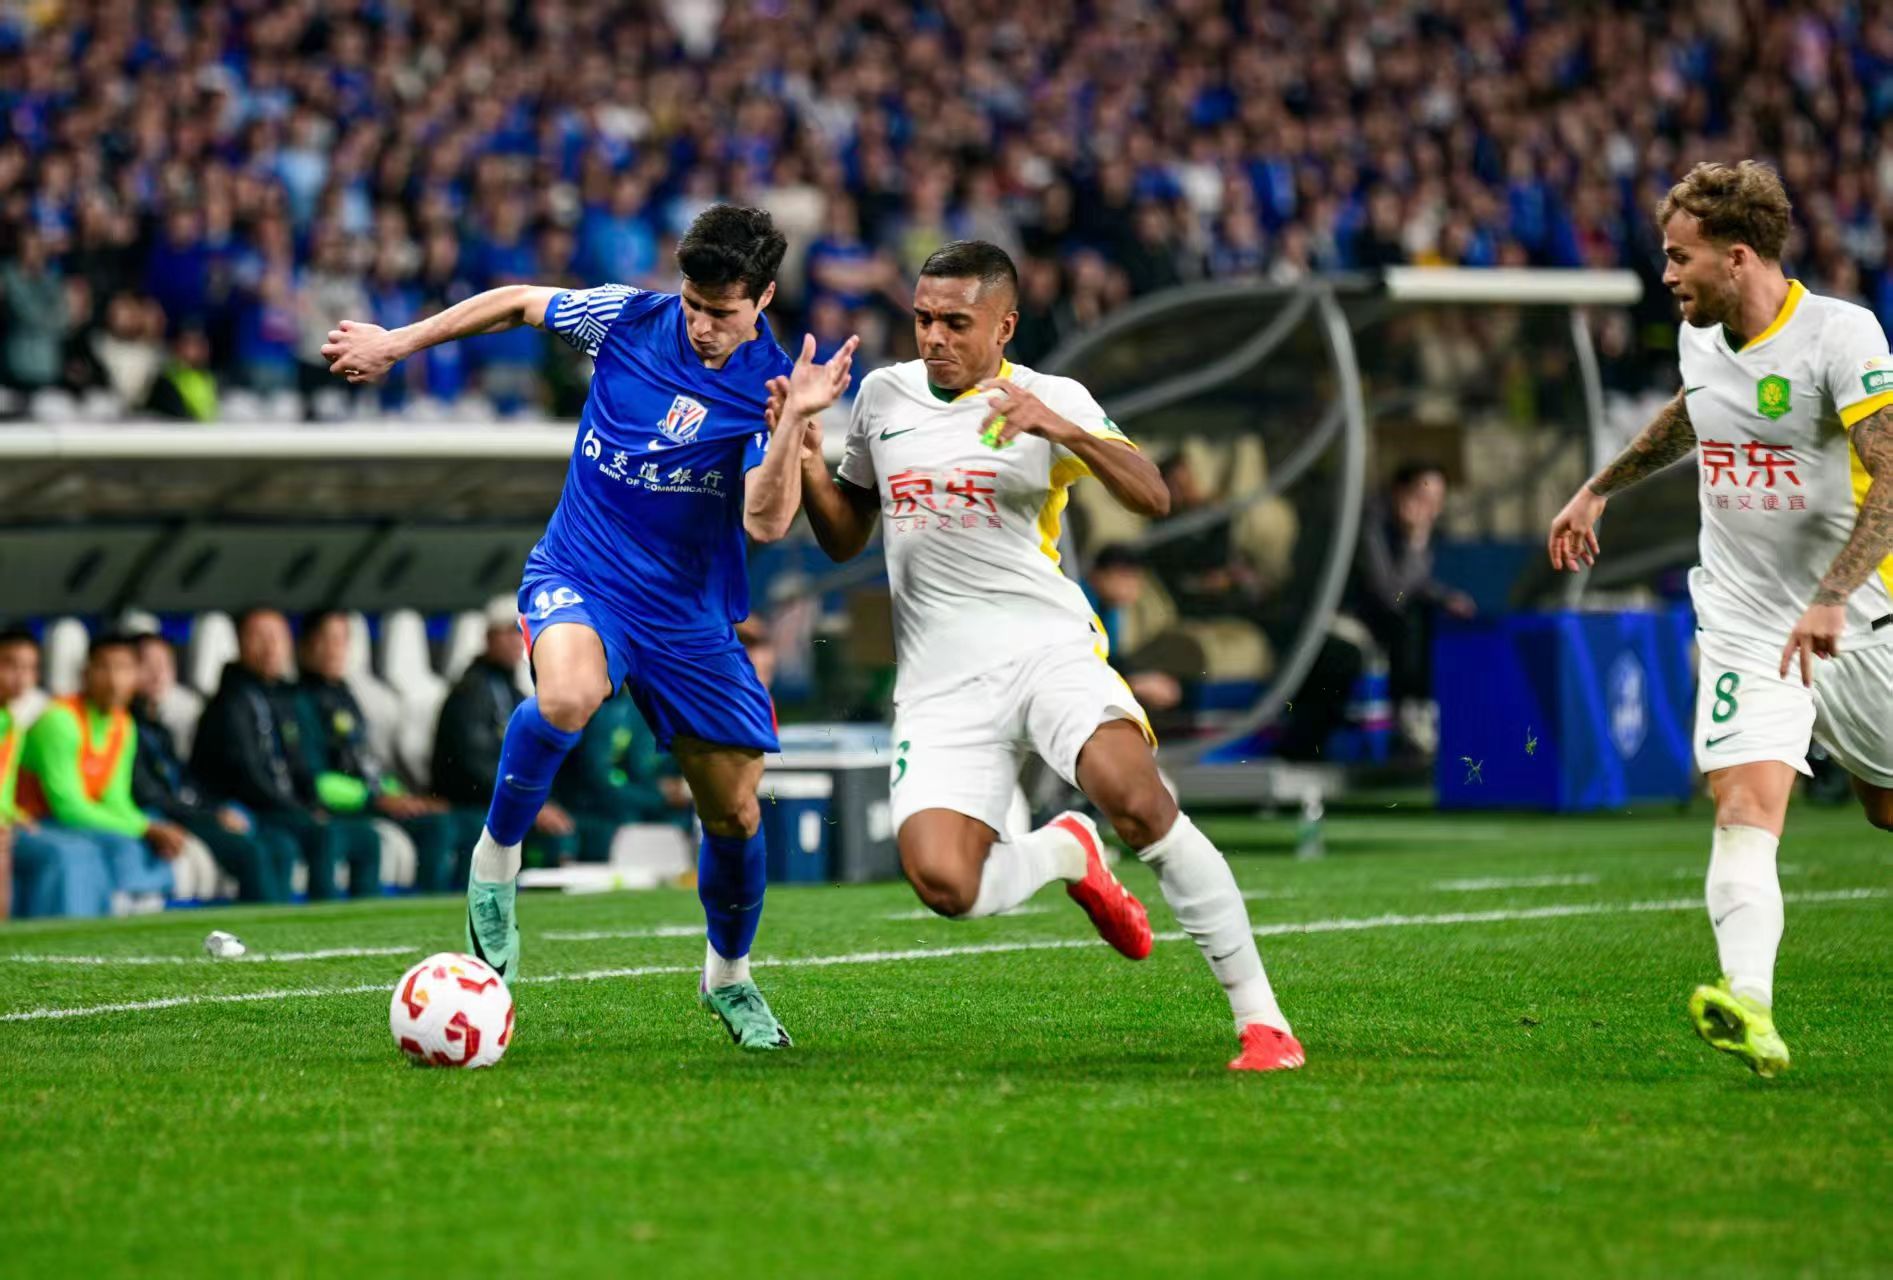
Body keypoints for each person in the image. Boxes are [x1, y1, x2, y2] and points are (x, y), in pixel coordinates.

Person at [322, 205, 858, 1052]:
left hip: (685, 618)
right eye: (693, 305)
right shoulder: (628, 317)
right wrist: (397, 342)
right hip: (583, 573)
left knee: (734, 814)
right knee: (566, 696)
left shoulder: (770, 386)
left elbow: (764, 522)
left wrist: (792, 424)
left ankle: (728, 976)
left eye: (721, 312)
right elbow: (515, 301)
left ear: (762, 298)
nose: (702, 325)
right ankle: (495, 862)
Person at [785, 240, 1305, 1072]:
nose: (934, 337)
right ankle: (1066, 850)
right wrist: (810, 461)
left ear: (1004, 326)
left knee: (1136, 801)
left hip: (1045, 651)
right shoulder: (883, 397)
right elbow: (845, 535)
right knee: (944, 885)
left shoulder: (1051, 397)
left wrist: (1062, 429)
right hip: (940, 683)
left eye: (956, 322)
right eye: (922, 318)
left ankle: (1261, 1019)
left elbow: (1152, 494)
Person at [1548, 160, 1893, 1078]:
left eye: (1678, 257)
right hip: (1743, 620)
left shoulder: (1840, 334)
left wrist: (1831, 595)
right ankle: (1749, 1003)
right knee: (1742, 804)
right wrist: (1597, 489)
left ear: (1736, 257)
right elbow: (1691, 415)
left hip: (1858, 622)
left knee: (1884, 807)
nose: (1665, 274)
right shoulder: (1697, 336)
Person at [192, 608, 380, 899]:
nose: (270, 646)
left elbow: (301, 764)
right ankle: (324, 916)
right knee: (318, 836)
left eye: (277, 637)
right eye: (259, 637)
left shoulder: (287, 697)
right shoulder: (230, 703)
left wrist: (311, 802)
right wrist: (298, 809)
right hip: (251, 810)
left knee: (367, 839)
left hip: (286, 807)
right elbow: (248, 775)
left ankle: (363, 920)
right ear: (240, 643)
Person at [293, 610, 465, 892]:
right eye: (328, 639)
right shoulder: (299, 701)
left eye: (343, 640)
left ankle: (442, 909)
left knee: (443, 823)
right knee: (374, 840)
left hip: (370, 800)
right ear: (307, 646)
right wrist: (374, 798)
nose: (337, 649)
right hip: (342, 808)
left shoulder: (344, 695)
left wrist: (403, 796)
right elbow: (315, 779)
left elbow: (366, 765)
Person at [17, 634, 183, 915]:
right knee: (86, 851)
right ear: (85, 674)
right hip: (34, 821)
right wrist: (143, 828)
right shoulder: (60, 720)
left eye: (124, 669)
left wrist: (148, 826)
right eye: (104, 668)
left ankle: (140, 911)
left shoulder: (123, 725)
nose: (114, 680)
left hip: (68, 821)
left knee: (148, 837)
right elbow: (68, 808)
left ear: (137, 676)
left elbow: (116, 799)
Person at [129, 638, 294, 904]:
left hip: (193, 811)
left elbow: (187, 783)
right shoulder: (126, 729)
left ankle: (285, 920)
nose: (158, 674)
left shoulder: (161, 729)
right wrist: (211, 815)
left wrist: (217, 808)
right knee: (250, 852)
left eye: (165, 665)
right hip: (173, 817)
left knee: (280, 844)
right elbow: (150, 796)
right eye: (147, 665)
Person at [433, 597, 577, 881]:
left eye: (522, 631)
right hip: (471, 802)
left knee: (565, 824)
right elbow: (474, 765)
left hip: (503, 797)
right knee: (546, 834)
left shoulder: (513, 691)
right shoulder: (471, 692)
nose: (517, 640)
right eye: (509, 631)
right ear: (489, 637)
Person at [1347, 461, 1477, 754]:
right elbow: (1391, 596)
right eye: (1422, 497)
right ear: (1398, 493)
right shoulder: (1372, 525)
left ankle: (1425, 707)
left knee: (1435, 614)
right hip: (1359, 615)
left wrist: (1445, 598)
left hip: (1393, 613)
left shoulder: (1418, 530)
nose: (1429, 509)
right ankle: (1408, 712)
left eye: (1437, 501)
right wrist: (1414, 542)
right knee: (1411, 617)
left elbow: (1416, 584)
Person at [0, 628, 111, 918]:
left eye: (30, 668)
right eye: (10, 665)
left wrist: (12, 814)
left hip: (7, 826)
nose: (21, 677)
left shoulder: (10, 720)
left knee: (85, 849)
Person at [552, 691, 695, 861]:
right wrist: (659, 795)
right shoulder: (614, 714)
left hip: (670, 821)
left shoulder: (681, 714)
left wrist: (684, 787)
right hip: (611, 818)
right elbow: (606, 779)